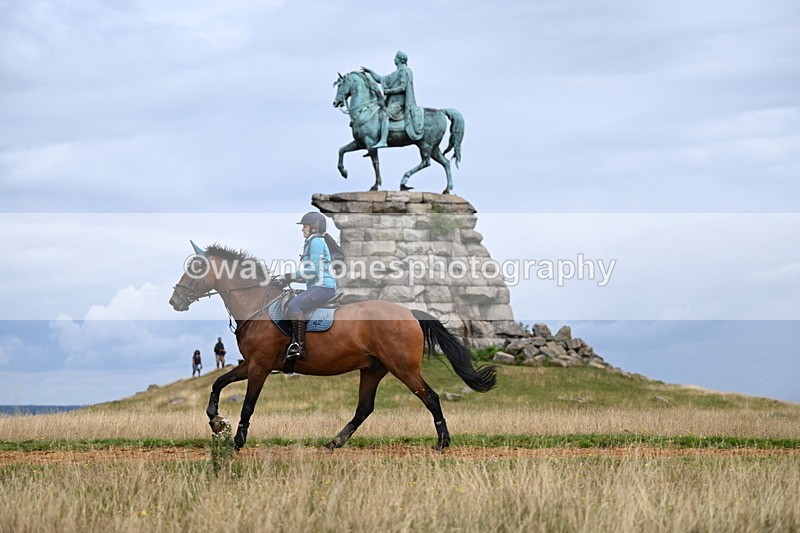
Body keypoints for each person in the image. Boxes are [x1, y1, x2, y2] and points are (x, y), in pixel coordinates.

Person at [279, 211, 337, 362]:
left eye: (304, 226)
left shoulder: (316, 242)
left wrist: (289, 276)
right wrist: (286, 280)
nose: (302, 229)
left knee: (294, 307)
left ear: (314, 227)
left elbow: (313, 270)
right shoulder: (311, 242)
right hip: (317, 286)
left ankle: (299, 347)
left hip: (323, 287)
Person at [362, 50, 423, 148]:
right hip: (392, 102)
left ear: (399, 59)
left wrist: (388, 91)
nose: (394, 59)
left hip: (399, 103)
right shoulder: (396, 73)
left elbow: (403, 87)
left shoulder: (404, 71)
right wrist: (370, 72)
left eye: (395, 57)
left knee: (385, 115)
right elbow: (380, 79)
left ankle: (383, 140)